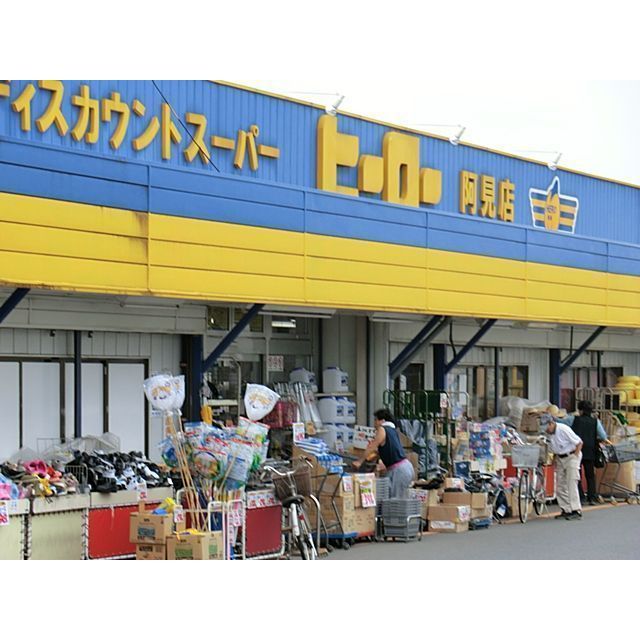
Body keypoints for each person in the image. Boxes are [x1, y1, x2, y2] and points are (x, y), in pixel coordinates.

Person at [557, 401, 611, 505]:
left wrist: (551, 416)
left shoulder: (573, 419)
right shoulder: (595, 422)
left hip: (576, 450)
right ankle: (592, 497)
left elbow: (560, 422)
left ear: (580, 410)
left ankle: (580, 496)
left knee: (577, 475)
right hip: (590, 450)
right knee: (590, 475)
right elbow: (603, 436)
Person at [353, 408, 415, 498]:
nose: (374, 423)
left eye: (376, 420)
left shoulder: (382, 429)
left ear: (382, 421)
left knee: (395, 500)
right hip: (405, 467)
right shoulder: (392, 431)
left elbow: (372, 446)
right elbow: (382, 450)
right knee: (396, 498)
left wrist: (359, 461)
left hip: (399, 470)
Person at [540, 413, 584, 520]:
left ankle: (576, 509)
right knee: (560, 485)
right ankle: (566, 509)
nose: (546, 430)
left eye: (547, 427)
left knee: (571, 483)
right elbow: (553, 448)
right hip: (560, 457)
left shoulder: (563, 429)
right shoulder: (548, 434)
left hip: (571, 455)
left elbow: (579, 442)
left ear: (551, 423)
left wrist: (575, 456)